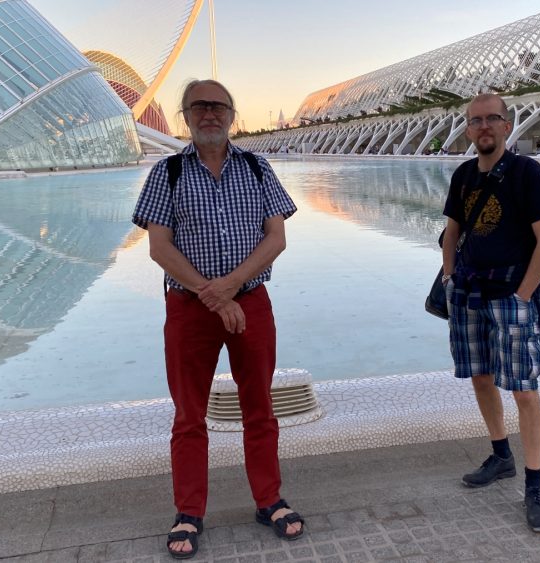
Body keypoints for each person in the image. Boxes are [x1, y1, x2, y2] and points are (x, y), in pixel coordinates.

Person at [132, 79, 303, 560]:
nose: (210, 113)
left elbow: (276, 239)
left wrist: (229, 288)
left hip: (249, 301)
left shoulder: (257, 167)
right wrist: (212, 295)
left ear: (232, 113)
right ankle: (188, 511)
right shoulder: (166, 174)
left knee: (259, 407)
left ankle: (268, 500)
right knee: (189, 416)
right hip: (189, 308)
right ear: (184, 114)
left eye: (218, 106)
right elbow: (159, 247)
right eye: (200, 106)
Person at [440, 93, 540, 533]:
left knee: (524, 390)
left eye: (493, 119)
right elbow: (451, 233)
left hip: (512, 295)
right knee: (481, 376)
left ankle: (534, 485)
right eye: (476, 121)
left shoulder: (527, 173)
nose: (484, 126)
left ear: (508, 126)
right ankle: (500, 455)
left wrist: (523, 296)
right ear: (468, 129)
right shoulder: (464, 175)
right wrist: (451, 277)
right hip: (469, 293)